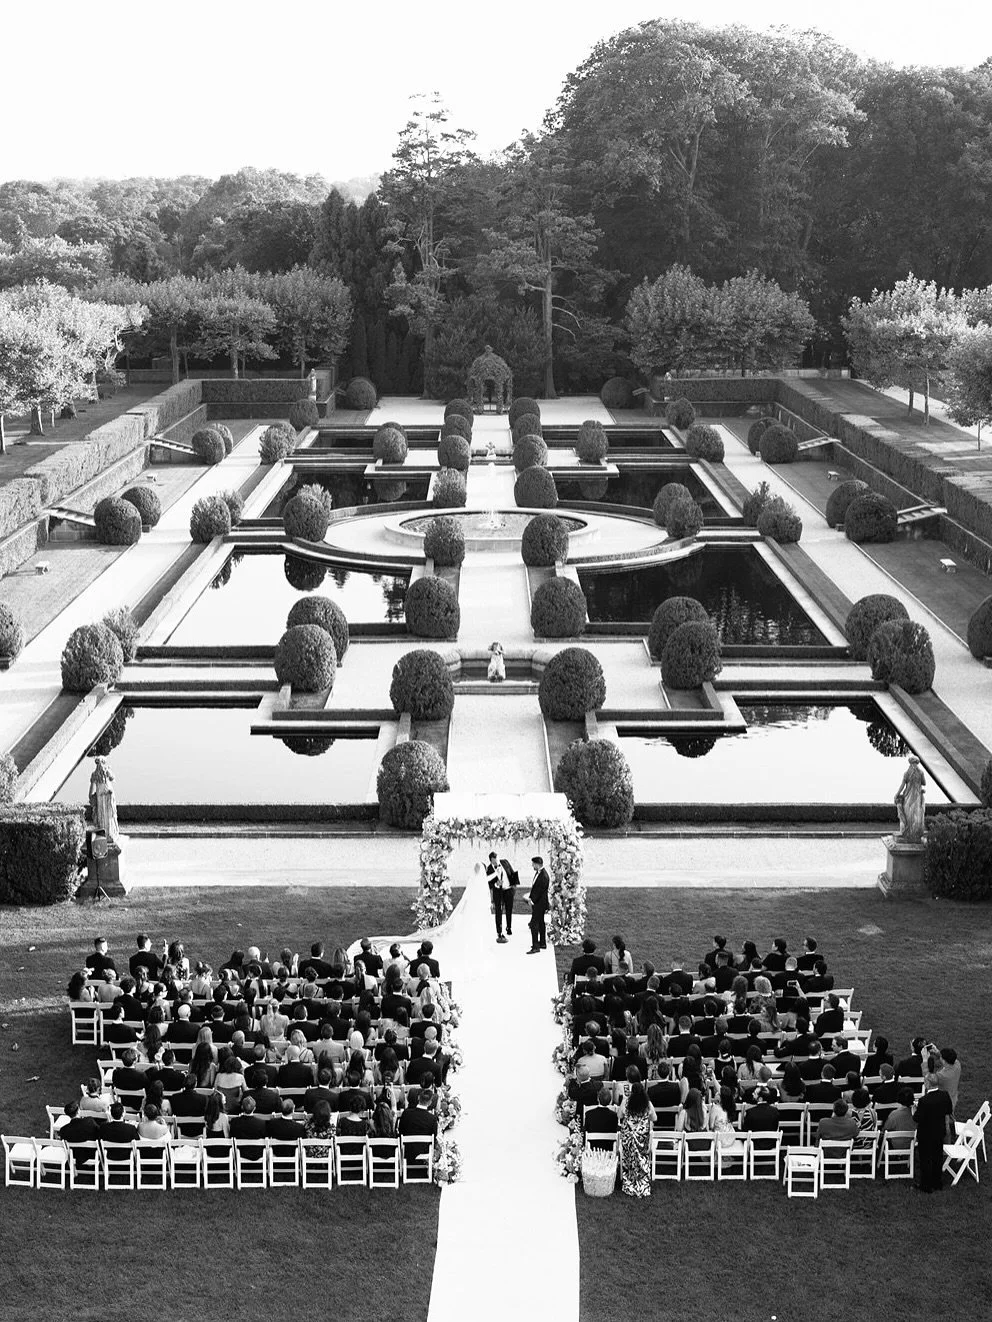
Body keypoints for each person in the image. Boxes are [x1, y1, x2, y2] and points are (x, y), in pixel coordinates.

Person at [914, 1077, 954, 1192]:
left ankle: (926, 1185)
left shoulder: (924, 1101)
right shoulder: (945, 1095)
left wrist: (916, 1109)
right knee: (937, 1157)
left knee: (925, 1159)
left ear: (927, 1084)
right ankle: (937, 1183)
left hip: (926, 1134)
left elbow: (917, 1118)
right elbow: (949, 1110)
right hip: (939, 1131)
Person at [618, 1082, 655, 1197]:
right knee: (642, 1156)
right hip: (642, 1138)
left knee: (629, 1158)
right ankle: (642, 1182)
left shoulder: (626, 1103)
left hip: (628, 1138)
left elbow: (619, 1115)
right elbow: (654, 1117)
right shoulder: (647, 1104)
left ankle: (630, 1181)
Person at [485, 851, 518, 942]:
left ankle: (509, 927)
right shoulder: (489, 869)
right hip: (498, 893)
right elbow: (488, 883)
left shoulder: (505, 862)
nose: (496, 862)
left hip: (509, 890)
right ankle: (499, 932)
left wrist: (514, 887)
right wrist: (496, 884)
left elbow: (512, 872)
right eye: (494, 861)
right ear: (491, 861)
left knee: (509, 909)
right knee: (498, 911)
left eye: (497, 860)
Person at [894, 755, 926, 842]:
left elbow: (902, 785)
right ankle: (913, 833)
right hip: (914, 796)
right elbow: (924, 783)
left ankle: (911, 833)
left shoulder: (907, 773)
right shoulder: (920, 773)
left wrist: (897, 794)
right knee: (914, 813)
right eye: (914, 763)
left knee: (911, 813)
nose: (914, 765)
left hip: (911, 796)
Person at [526, 856, 550, 953]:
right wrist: (530, 897)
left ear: (537, 864)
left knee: (533, 924)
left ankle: (536, 946)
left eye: (533, 864)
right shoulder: (540, 873)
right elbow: (535, 888)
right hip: (540, 902)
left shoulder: (543, 876)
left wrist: (532, 901)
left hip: (539, 904)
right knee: (540, 922)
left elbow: (539, 891)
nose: (532, 866)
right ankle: (543, 943)